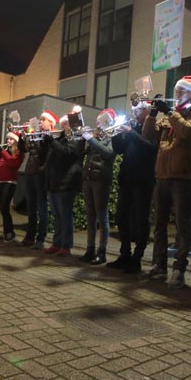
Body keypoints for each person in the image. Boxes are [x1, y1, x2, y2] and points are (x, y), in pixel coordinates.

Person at [142, 76, 191, 288]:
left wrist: (169, 112)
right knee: (159, 224)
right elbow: (148, 135)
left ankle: (179, 269)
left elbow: (188, 132)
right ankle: (159, 265)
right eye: (176, 90)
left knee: (181, 226)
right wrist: (152, 113)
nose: (177, 94)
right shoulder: (171, 116)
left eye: (181, 91)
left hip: (182, 177)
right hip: (162, 175)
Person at [107, 102, 157, 273]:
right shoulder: (132, 126)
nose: (134, 112)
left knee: (141, 219)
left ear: (147, 111)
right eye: (133, 109)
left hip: (143, 180)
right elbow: (119, 149)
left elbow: (150, 148)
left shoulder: (154, 127)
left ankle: (137, 258)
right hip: (127, 179)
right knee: (121, 216)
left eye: (138, 109)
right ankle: (125, 253)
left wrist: (131, 133)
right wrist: (115, 133)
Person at [79, 109, 117, 265]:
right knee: (90, 215)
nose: (98, 124)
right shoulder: (96, 135)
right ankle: (90, 248)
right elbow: (84, 152)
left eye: (101, 121)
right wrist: (86, 138)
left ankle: (102, 251)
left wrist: (90, 139)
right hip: (88, 178)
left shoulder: (113, 135)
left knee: (102, 216)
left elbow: (109, 154)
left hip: (101, 178)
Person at [44, 111, 83, 257]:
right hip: (55, 181)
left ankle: (66, 245)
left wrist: (52, 142)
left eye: (65, 124)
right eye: (62, 124)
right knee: (57, 215)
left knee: (65, 215)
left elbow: (67, 153)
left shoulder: (75, 137)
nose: (63, 126)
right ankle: (57, 243)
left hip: (67, 181)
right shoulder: (60, 138)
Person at [18, 112, 53, 249]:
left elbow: (45, 151)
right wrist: (23, 136)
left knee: (41, 207)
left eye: (43, 120)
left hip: (40, 174)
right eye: (41, 119)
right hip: (30, 172)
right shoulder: (36, 135)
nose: (41, 121)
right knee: (31, 207)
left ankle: (41, 238)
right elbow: (23, 149)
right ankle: (29, 237)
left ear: (50, 122)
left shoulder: (49, 136)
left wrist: (42, 135)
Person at [0, 131, 24, 242]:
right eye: (7, 139)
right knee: (2, 209)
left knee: (5, 207)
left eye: (11, 139)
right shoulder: (5, 151)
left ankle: (10, 232)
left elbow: (13, 164)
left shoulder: (18, 152)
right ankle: (6, 233)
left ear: (16, 141)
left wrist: (3, 152)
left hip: (10, 182)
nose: (8, 141)